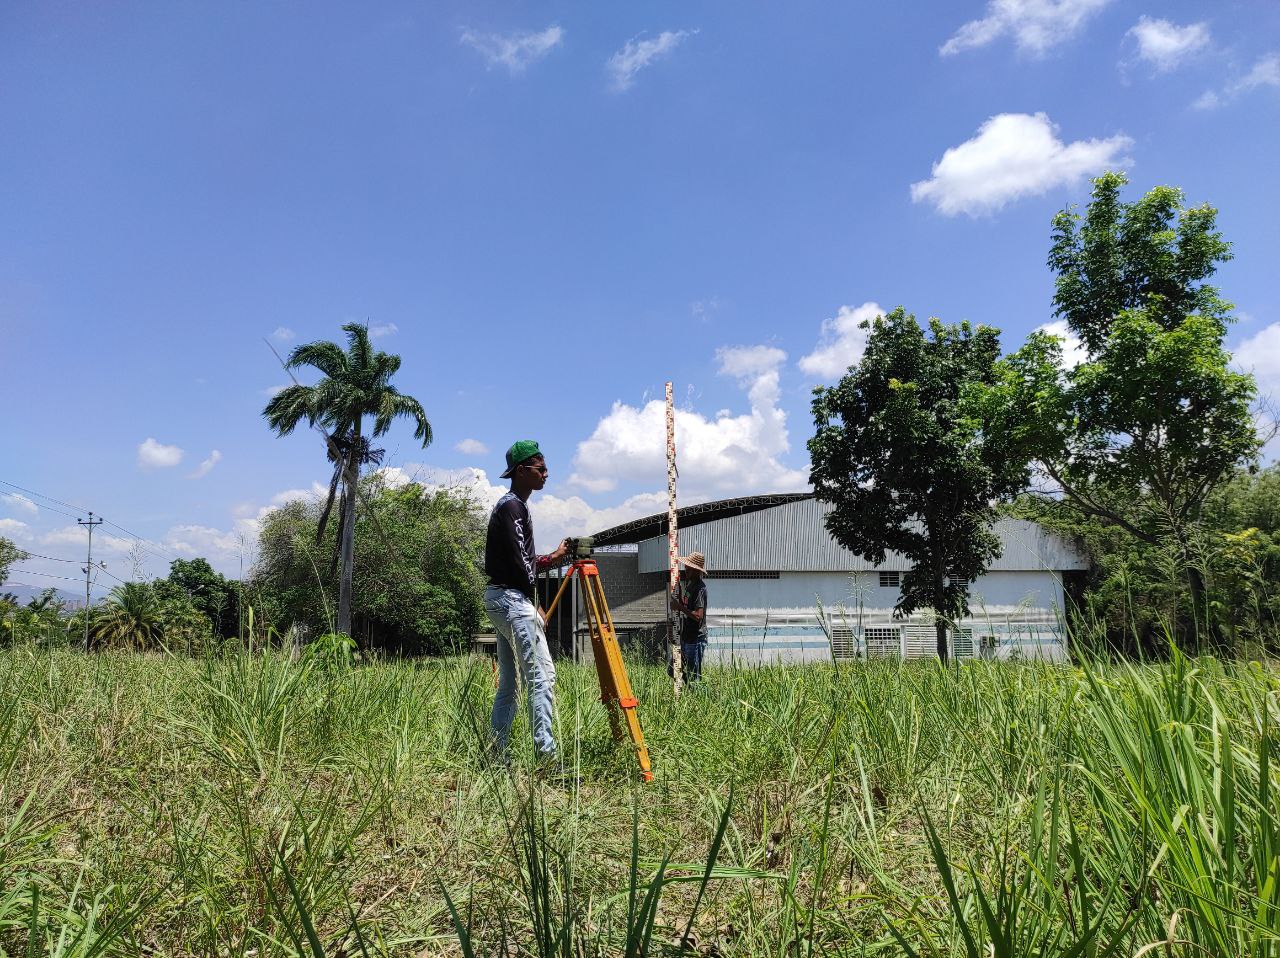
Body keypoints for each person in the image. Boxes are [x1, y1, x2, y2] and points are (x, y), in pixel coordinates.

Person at [483, 439, 569, 762]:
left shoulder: (512, 506)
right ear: (522, 471)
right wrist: (534, 605)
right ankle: (546, 756)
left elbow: (525, 559)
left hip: (501, 599)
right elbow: (523, 565)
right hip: (511, 600)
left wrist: (555, 557)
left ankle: (497, 753)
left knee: (509, 684)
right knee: (543, 677)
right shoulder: (512, 507)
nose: (546, 474)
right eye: (540, 468)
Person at [671, 551, 709, 684]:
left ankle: (698, 695)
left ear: (697, 570)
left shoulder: (700, 589)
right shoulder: (689, 584)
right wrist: (679, 600)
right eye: (686, 566)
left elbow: (698, 616)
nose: (686, 569)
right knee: (673, 669)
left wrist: (679, 607)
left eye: (690, 567)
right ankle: (690, 688)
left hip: (696, 639)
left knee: (694, 677)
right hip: (686, 636)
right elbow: (686, 606)